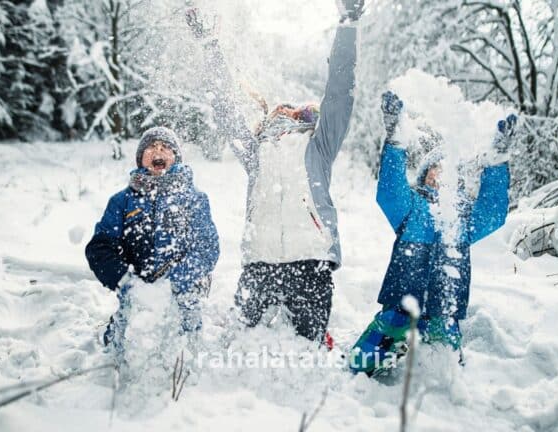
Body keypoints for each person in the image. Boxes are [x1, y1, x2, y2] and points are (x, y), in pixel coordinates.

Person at [185, 1, 364, 344]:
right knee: (239, 345)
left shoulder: (318, 147)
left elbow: (339, 93)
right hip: (259, 263)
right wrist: (210, 47)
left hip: (310, 260)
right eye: (278, 108)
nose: (285, 109)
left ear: (305, 118)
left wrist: (347, 24)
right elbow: (224, 109)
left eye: (294, 109)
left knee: (306, 351)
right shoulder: (256, 153)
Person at [349, 91, 516, 375]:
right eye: (434, 169)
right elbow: (389, 192)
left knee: (446, 366)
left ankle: (442, 384)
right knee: (362, 360)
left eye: (447, 171)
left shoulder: (462, 219)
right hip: (401, 303)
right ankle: (370, 366)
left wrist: (497, 162)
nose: (440, 175)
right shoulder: (412, 206)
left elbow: (492, 213)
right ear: (425, 174)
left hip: (444, 309)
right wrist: (395, 142)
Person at [85, 127, 220, 358]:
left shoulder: (195, 199)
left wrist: (177, 280)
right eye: (151, 147)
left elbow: (207, 247)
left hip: (183, 294)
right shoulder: (122, 201)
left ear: (175, 158)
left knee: (183, 354)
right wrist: (126, 282)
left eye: (165, 147)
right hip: (137, 294)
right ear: (140, 159)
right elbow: (99, 248)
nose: (158, 150)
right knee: (125, 350)